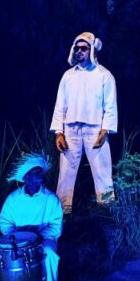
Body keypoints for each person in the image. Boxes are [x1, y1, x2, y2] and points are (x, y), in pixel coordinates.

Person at [51, 32, 118, 213]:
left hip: (95, 129)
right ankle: (62, 214)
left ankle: (107, 213)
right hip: (71, 129)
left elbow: (110, 106)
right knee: (65, 174)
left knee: (102, 172)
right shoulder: (68, 76)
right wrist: (59, 131)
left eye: (84, 48)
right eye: (77, 48)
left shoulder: (104, 75)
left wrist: (105, 131)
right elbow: (60, 105)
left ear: (92, 50)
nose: (79, 51)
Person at [0, 153, 63, 281]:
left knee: (49, 253)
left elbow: (56, 226)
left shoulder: (51, 198)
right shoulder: (13, 198)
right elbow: (4, 222)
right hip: (16, 241)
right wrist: (18, 236)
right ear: (26, 177)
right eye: (36, 172)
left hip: (43, 241)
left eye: (40, 172)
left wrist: (36, 236)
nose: (40, 175)